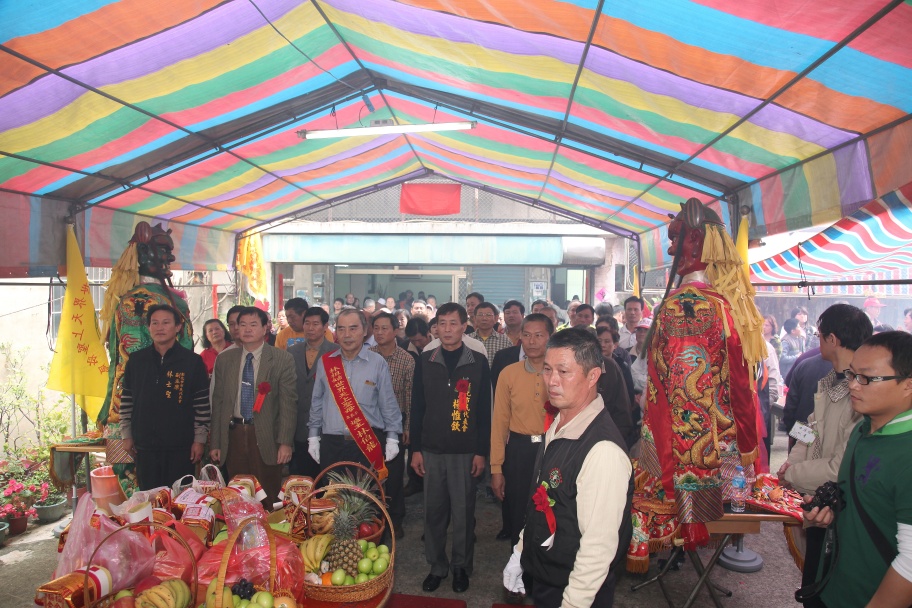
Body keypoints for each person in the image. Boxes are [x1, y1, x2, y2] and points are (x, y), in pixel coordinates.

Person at [626, 197, 765, 572]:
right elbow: (740, 389)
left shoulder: (683, 306)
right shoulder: (724, 304)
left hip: (683, 454)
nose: (671, 250)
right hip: (723, 451)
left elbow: (686, 397)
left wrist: (683, 485)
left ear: (695, 242)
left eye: (676, 239)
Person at [502, 329, 633, 607]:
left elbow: (598, 548)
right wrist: (521, 552)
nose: (552, 381)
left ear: (593, 376)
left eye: (564, 372)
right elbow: (543, 499)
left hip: (575, 588)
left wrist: (573, 602)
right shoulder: (559, 424)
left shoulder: (602, 451)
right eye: (547, 369)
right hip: (548, 574)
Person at [802, 331, 912, 608]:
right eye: (851, 375)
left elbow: (910, 563)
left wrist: (793, 472)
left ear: (908, 385)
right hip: (835, 582)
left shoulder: (904, 451)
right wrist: (832, 511)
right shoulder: (862, 427)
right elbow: (806, 427)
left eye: (866, 378)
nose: (853, 385)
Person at [776, 305, 872, 596]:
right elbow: (807, 428)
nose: (817, 341)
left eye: (819, 335)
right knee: (812, 579)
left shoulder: (860, 390)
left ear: (832, 339)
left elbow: (839, 467)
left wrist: (792, 473)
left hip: (838, 508)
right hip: (816, 497)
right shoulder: (830, 379)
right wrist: (791, 461)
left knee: (828, 585)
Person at [410, 302, 491, 594]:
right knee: (433, 513)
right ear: (436, 327)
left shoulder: (477, 361)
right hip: (431, 450)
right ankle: (437, 566)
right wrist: (415, 449)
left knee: (463, 513)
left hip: (465, 451)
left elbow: (484, 411)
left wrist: (481, 451)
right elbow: (417, 406)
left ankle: (460, 567)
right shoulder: (426, 359)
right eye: (442, 323)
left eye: (453, 323)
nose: (447, 329)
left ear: (464, 326)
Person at [210, 307, 297, 504]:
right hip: (233, 434)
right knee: (237, 495)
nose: (247, 329)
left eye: (253, 324)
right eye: (242, 325)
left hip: (267, 437)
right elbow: (218, 402)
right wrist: (215, 442)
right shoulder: (225, 359)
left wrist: (285, 442)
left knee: (269, 495)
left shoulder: (281, 359)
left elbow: (288, 404)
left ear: (265, 328)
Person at [120, 305, 209, 491]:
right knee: (150, 497)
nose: (159, 328)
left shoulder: (192, 362)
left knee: (180, 498)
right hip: (144, 446)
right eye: (155, 323)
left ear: (178, 327)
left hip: (181, 446)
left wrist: (199, 440)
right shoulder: (136, 361)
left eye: (166, 323)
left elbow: (201, 405)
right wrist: (126, 435)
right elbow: (127, 400)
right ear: (148, 327)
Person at [308, 309, 402, 476]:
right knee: (332, 492)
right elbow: (317, 401)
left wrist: (392, 437)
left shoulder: (377, 363)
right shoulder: (326, 362)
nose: (347, 335)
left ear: (365, 331)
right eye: (341, 329)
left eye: (353, 328)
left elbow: (388, 403)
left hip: (366, 442)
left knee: (366, 493)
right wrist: (313, 437)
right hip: (332, 444)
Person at [491, 314, 554, 547]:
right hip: (519, 450)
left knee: (551, 512)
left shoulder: (560, 373)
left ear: (550, 338)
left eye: (539, 335)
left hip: (552, 448)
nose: (532, 341)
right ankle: (517, 565)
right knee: (518, 514)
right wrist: (496, 469)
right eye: (526, 335)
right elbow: (499, 423)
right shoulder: (509, 373)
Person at [369, 311, 415, 538]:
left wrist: (407, 428)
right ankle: (372, 519)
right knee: (370, 474)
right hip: (368, 424)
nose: (379, 332)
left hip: (394, 425)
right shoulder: (366, 355)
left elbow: (409, 396)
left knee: (394, 476)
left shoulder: (406, 360)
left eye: (384, 328)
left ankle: (395, 519)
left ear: (396, 331)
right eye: (376, 328)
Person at [287, 307, 339, 479]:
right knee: (299, 480)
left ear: (325, 326)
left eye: (315, 324)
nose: (310, 328)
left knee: (326, 480)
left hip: (326, 429)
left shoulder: (336, 352)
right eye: (307, 323)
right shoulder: (292, 352)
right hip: (298, 427)